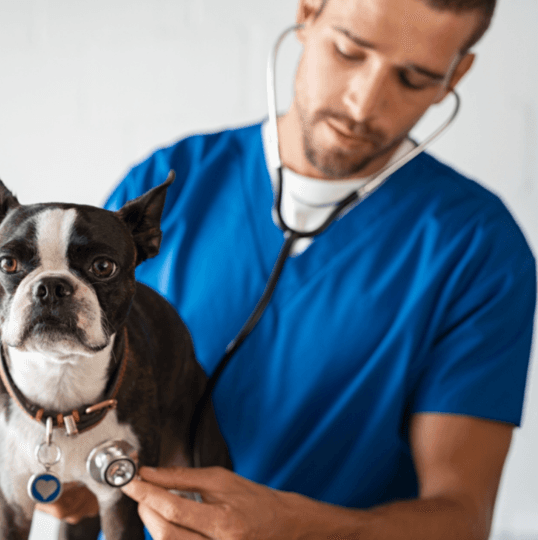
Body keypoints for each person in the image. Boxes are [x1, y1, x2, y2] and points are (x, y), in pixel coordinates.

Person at [92, 0, 536, 538]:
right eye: (349, 51)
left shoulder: (478, 247)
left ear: (455, 75)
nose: (363, 103)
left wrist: (300, 529)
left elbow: (461, 516)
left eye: (414, 79)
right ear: (307, 12)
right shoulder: (165, 187)